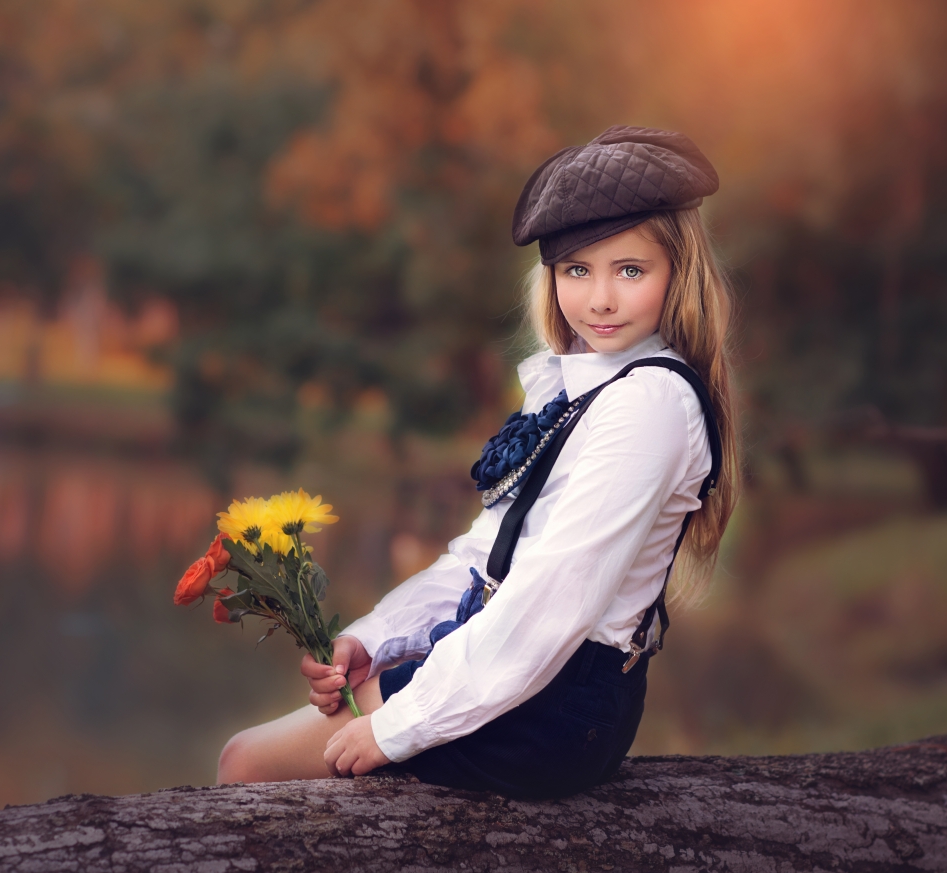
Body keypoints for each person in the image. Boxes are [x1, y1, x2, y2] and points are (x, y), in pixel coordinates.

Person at [217, 126, 741, 799]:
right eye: (576, 270)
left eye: (629, 270)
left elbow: (553, 601)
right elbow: (484, 556)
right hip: (510, 668)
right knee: (253, 757)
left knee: (243, 763)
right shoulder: (586, 386)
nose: (600, 299)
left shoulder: (648, 405)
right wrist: (373, 638)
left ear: (677, 273)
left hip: (549, 705)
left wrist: (398, 724)